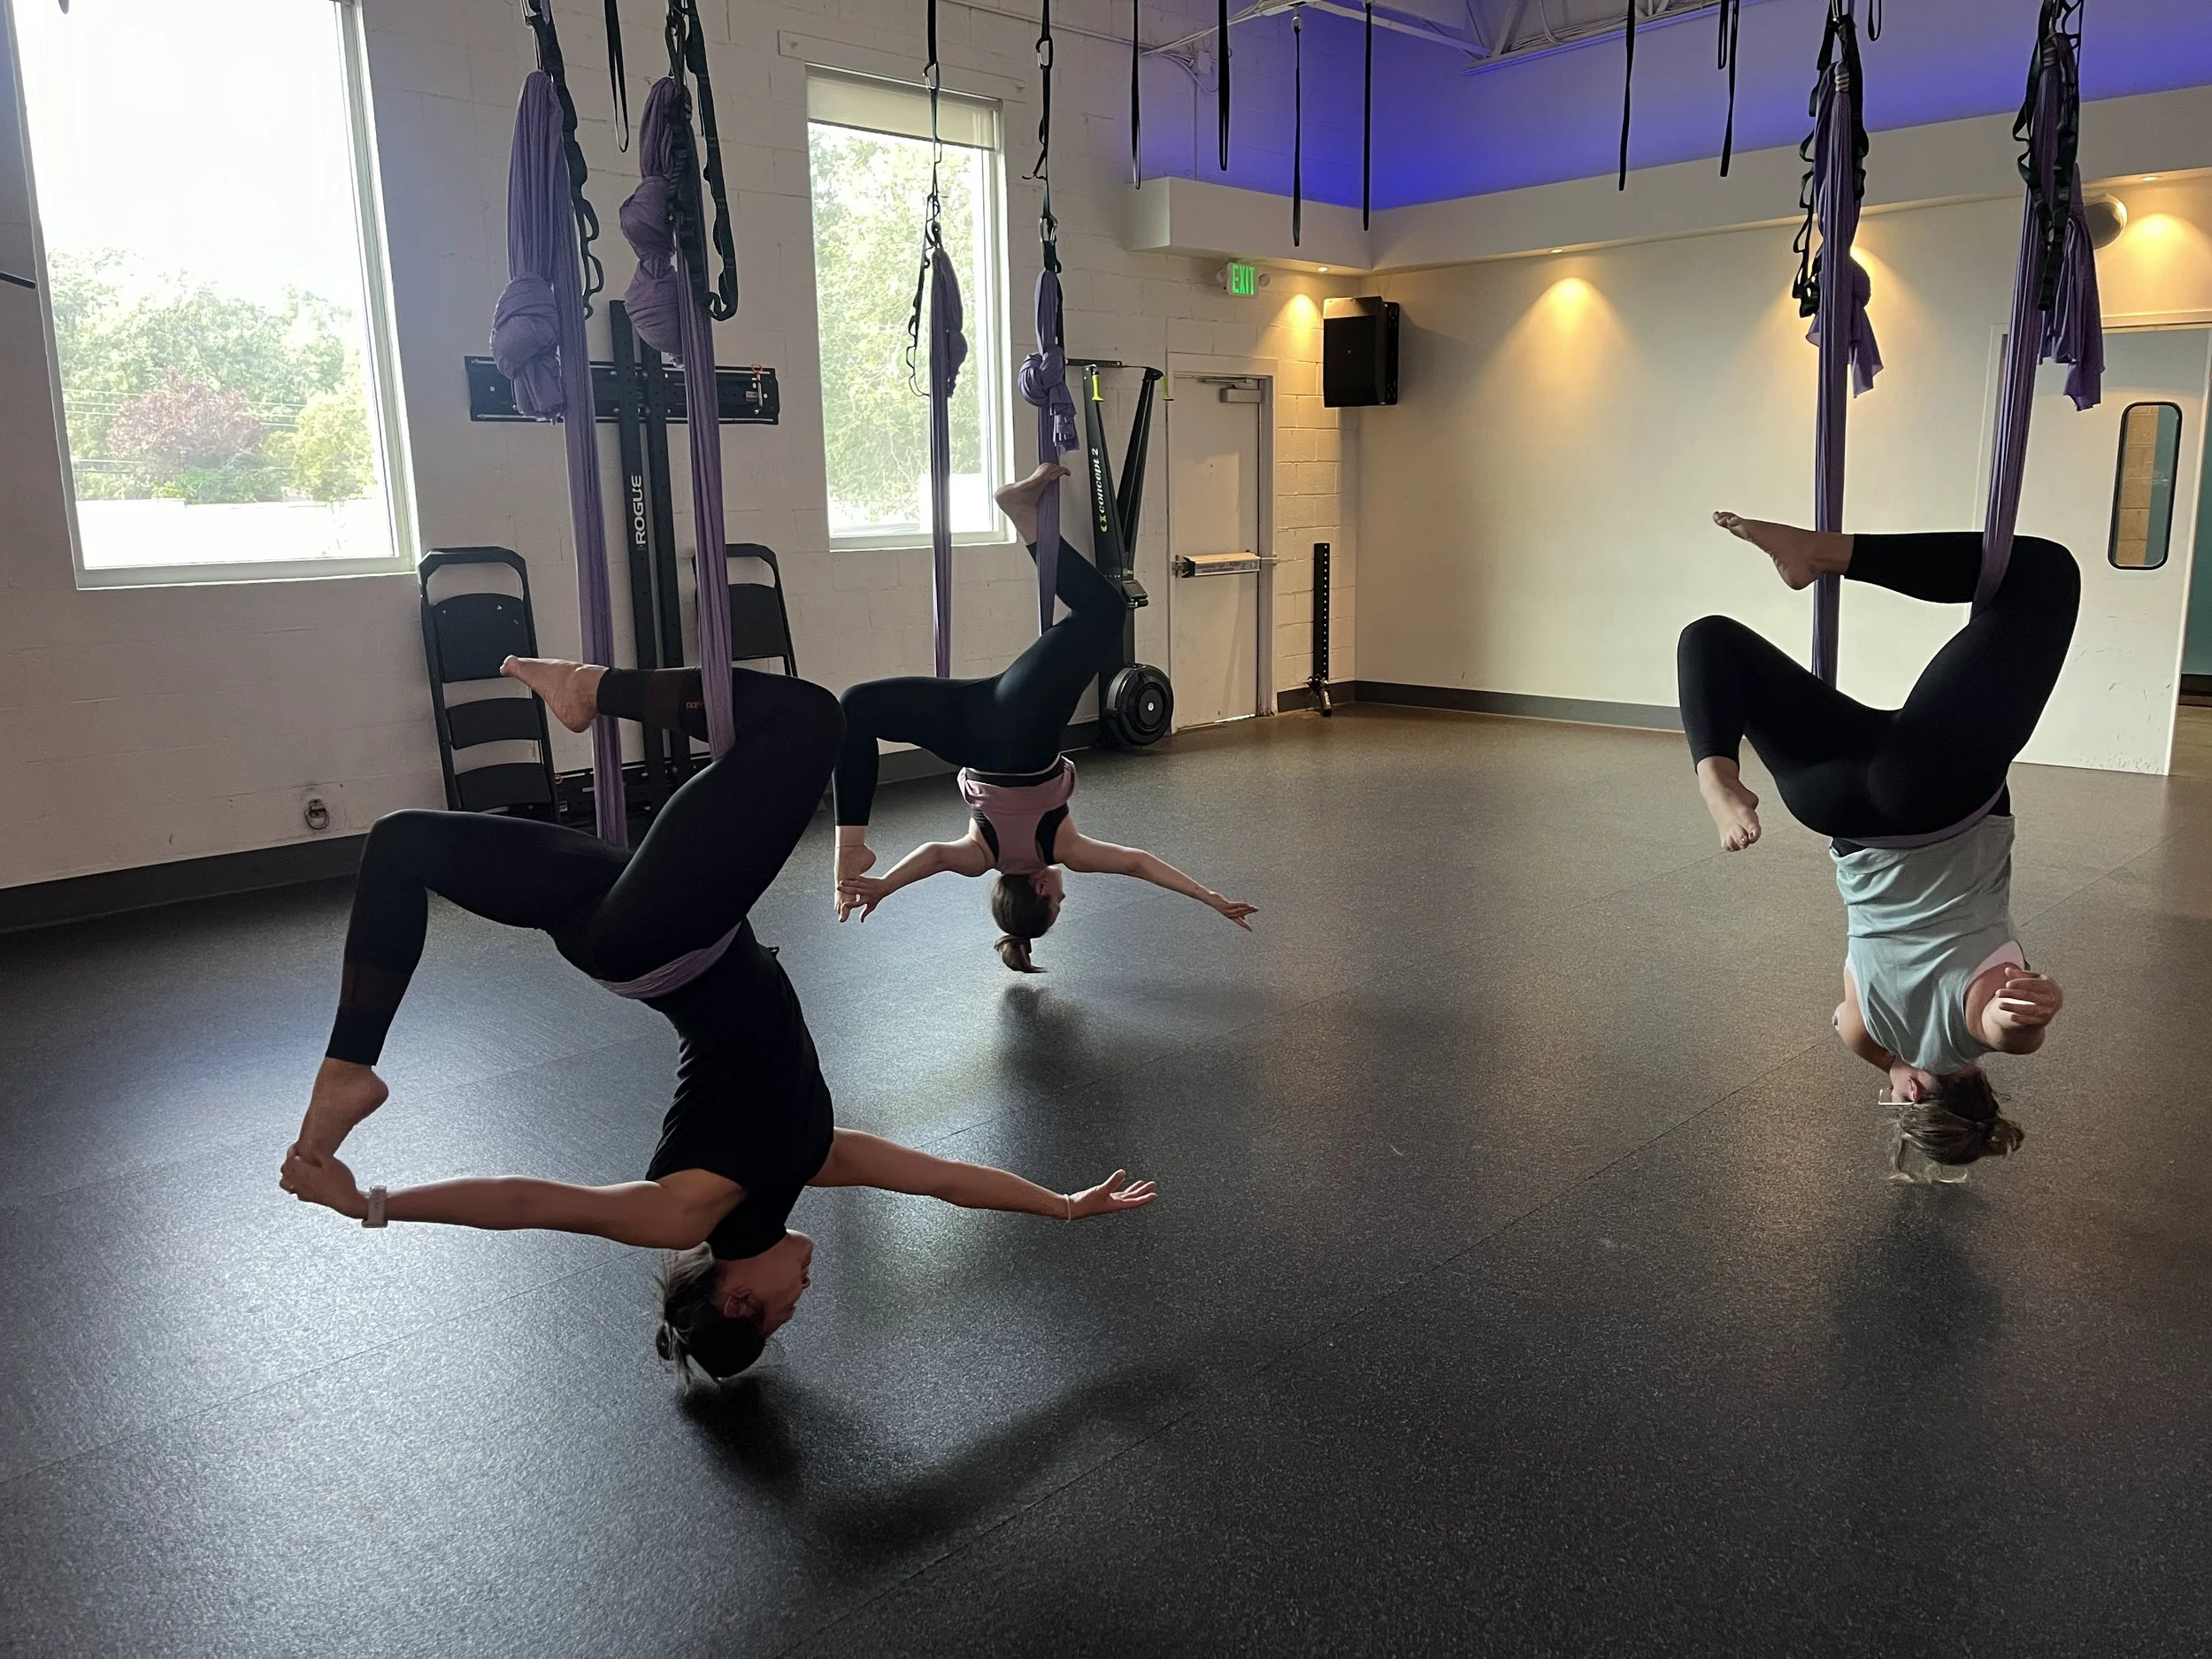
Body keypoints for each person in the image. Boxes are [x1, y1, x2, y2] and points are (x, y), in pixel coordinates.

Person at [279, 659, 1156, 1382]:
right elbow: (943, 1181)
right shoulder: (808, 1159)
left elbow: (525, 1202)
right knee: (398, 844)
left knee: (812, 722)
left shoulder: (688, 1212)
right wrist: (1063, 1207)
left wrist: (373, 1205)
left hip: (670, 936)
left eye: (780, 1314)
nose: (801, 1297)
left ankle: (593, 691)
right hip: (632, 932)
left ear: (738, 1301)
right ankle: (348, 1068)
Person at [1676, 511, 2077, 1167]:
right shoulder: (1869, 1029)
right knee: (1711, 639)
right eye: (1899, 1100)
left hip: (1936, 792)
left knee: (2043, 573)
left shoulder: (1970, 1030)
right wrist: (1910, 1062)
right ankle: (1715, 772)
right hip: (1834, 805)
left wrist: (2027, 1016)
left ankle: (1823, 552)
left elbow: (2004, 1028)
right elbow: (1853, 1030)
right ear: (1913, 1089)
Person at [833, 465, 1257, 971]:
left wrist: (1206, 895)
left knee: (1104, 612)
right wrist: (883, 886)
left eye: (1057, 902)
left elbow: (1138, 864)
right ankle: (849, 847)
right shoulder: (980, 857)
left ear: (1040, 887)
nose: (1064, 896)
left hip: (1020, 731)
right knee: (855, 705)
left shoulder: (1064, 849)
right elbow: (934, 855)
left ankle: (1022, 514)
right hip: (971, 730)